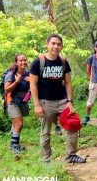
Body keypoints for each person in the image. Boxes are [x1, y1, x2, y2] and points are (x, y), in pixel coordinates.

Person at [30, 34, 85, 163]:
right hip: (45, 102)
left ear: (61, 46)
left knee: (73, 124)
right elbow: (33, 83)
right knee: (46, 131)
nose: (56, 46)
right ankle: (46, 159)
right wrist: (37, 104)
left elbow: (68, 82)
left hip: (62, 101)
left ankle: (71, 154)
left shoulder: (63, 62)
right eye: (53, 43)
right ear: (47, 44)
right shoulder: (38, 62)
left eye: (58, 44)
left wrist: (70, 102)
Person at [4, 54, 30, 154]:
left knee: (15, 123)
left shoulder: (28, 73)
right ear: (16, 63)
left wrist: (30, 80)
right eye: (21, 61)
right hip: (12, 102)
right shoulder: (11, 74)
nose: (23, 62)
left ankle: (13, 144)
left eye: (25, 60)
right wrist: (17, 81)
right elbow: (7, 89)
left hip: (22, 101)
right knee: (19, 123)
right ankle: (15, 145)